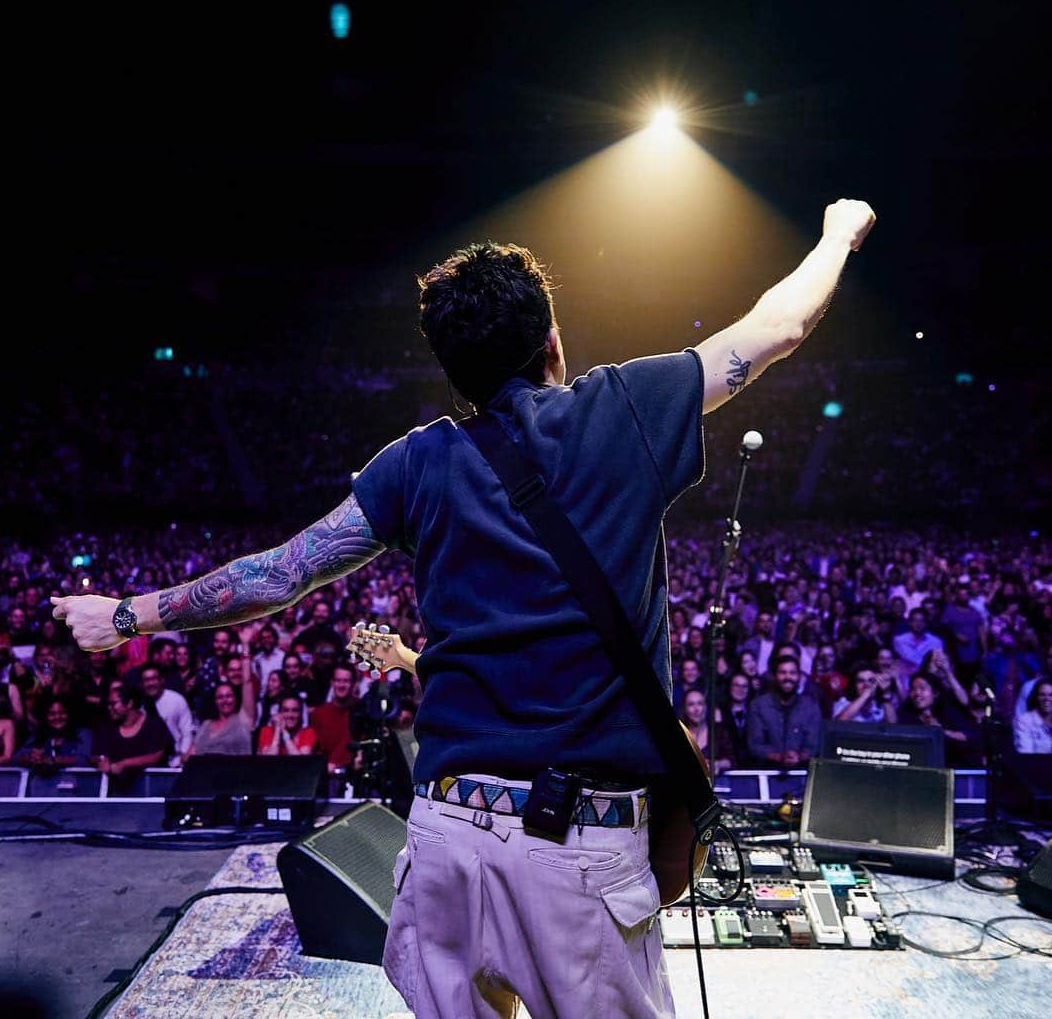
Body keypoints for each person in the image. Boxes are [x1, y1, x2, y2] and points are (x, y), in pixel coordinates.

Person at [49, 198, 876, 1019]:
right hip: (576, 850)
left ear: (454, 370)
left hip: (447, 840)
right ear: (551, 337)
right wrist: (838, 233)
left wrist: (126, 615)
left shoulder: (415, 463)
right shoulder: (624, 408)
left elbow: (280, 574)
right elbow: (781, 327)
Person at [746, 654, 823, 768]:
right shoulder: (758, 705)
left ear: (799, 677)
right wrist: (779, 757)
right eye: (783, 672)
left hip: (801, 773)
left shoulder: (811, 707)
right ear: (775, 676)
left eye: (792, 673)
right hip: (767, 772)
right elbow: (754, 745)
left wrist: (800, 756)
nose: (788, 677)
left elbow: (814, 746)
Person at [91, 684, 172, 790]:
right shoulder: (107, 728)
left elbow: (157, 756)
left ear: (129, 703)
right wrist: (101, 761)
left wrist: (125, 764)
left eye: (113, 704)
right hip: (117, 793)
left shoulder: (154, 724)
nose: (109, 708)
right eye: (108, 704)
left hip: (151, 790)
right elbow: (94, 756)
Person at [186, 677, 255, 759]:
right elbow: (189, 756)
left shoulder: (243, 720)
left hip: (235, 770)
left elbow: (247, 682)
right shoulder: (206, 724)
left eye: (229, 696)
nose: (224, 700)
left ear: (236, 698)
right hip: (205, 770)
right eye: (220, 697)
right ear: (215, 701)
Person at [15, 698, 93, 768]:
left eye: (62, 713)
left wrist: (51, 760)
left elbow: (84, 760)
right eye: (52, 714)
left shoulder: (82, 733)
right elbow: (16, 758)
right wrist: (30, 758)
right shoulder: (38, 735)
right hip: (43, 783)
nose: (57, 717)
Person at [831, 663, 898, 724]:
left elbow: (892, 725)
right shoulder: (843, 702)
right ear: (854, 685)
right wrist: (865, 695)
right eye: (861, 681)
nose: (866, 684)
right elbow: (839, 723)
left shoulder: (880, 704)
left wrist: (885, 693)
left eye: (871, 680)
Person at [1013, 677, 1052, 754]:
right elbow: (1026, 756)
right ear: (1035, 697)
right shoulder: (1024, 722)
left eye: (1051, 695)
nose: (1047, 698)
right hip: (1036, 765)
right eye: (1042, 695)